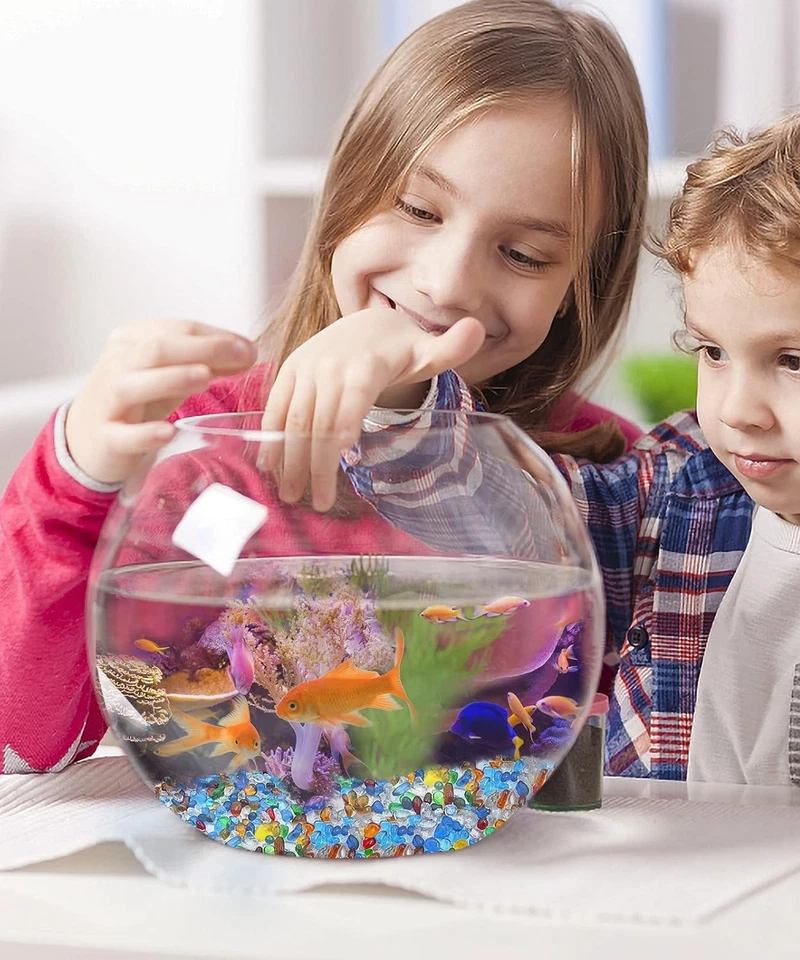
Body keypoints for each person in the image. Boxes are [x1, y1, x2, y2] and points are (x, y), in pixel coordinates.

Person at [0, 0, 649, 774]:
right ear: (345, 189)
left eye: (523, 254)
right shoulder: (198, 452)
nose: (447, 282)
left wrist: (402, 406)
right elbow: (30, 743)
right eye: (418, 208)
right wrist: (75, 480)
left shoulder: (608, 480)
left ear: (583, 285)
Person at [304, 90, 800, 824]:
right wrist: (400, 392)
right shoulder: (673, 497)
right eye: (713, 352)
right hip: (661, 889)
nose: (736, 409)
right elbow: (490, 515)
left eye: (796, 361)